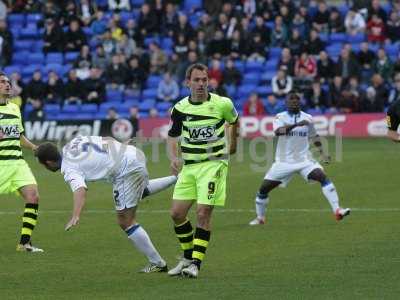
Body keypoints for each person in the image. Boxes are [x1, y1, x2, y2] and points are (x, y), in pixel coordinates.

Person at [35, 135, 177, 272]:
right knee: (138, 191)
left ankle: (157, 263)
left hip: (126, 169)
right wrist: (122, 146)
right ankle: (179, 179)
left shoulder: (68, 168)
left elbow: (80, 189)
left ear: (48, 162)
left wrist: (75, 215)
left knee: (125, 221)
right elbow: (106, 140)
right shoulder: (73, 143)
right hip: (133, 154)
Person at [167, 63, 239, 278]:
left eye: (204, 80)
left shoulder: (222, 104)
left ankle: (195, 264)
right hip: (190, 166)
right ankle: (187, 257)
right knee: (177, 214)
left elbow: (234, 120)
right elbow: (173, 135)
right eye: (196, 80)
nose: (200, 84)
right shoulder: (179, 108)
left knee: (202, 213)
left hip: (214, 163)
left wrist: (233, 143)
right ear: (187, 82)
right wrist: (173, 157)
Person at [249, 93, 350, 226]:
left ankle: (337, 210)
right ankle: (260, 218)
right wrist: (297, 125)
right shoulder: (280, 117)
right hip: (283, 162)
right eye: (291, 100)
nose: (294, 102)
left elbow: (314, 136)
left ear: (300, 103)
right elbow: (278, 132)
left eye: (297, 100)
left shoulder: (308, 118)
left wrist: (323, 153)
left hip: (304, 160)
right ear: (286, 103)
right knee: (263, 190)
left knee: (322, 177)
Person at [0, 72, 43, 252]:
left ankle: (24, 243)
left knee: (33, 195)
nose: (7, 84)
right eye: (2, 82)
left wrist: (34, 148)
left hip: (17, 162)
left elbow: (19, 136)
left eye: (8, 82)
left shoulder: (14, 108)